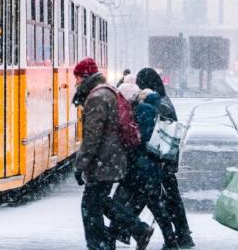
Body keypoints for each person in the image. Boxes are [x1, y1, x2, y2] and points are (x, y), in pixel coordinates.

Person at [72, 58, 153, 250]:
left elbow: (92, 137)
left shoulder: (97, 97)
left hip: (104, 160)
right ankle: (137, 229)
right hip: (112, 158)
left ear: (84, 77)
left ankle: (101, 245)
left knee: (90, 207)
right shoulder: (108, 91)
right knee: (100, 201)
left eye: (76, 78)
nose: (75, 82)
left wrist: (80, 165)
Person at [110, 91, 178, 249]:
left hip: (140, 169)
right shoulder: (152, 110)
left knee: (117, 203)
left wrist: (130, 149)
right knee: (155, 206)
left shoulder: (143, 111)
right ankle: (169, 241)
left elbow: (142, 139)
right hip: (149, 169)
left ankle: (116, 236)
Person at [135, 67, 194, 249]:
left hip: (160, 160)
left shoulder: (156, 104)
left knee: (161, 199)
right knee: (169, 199)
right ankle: (181, 235)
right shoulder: (163, 100)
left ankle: (175, 237)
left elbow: (158, 134)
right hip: (166, 159)